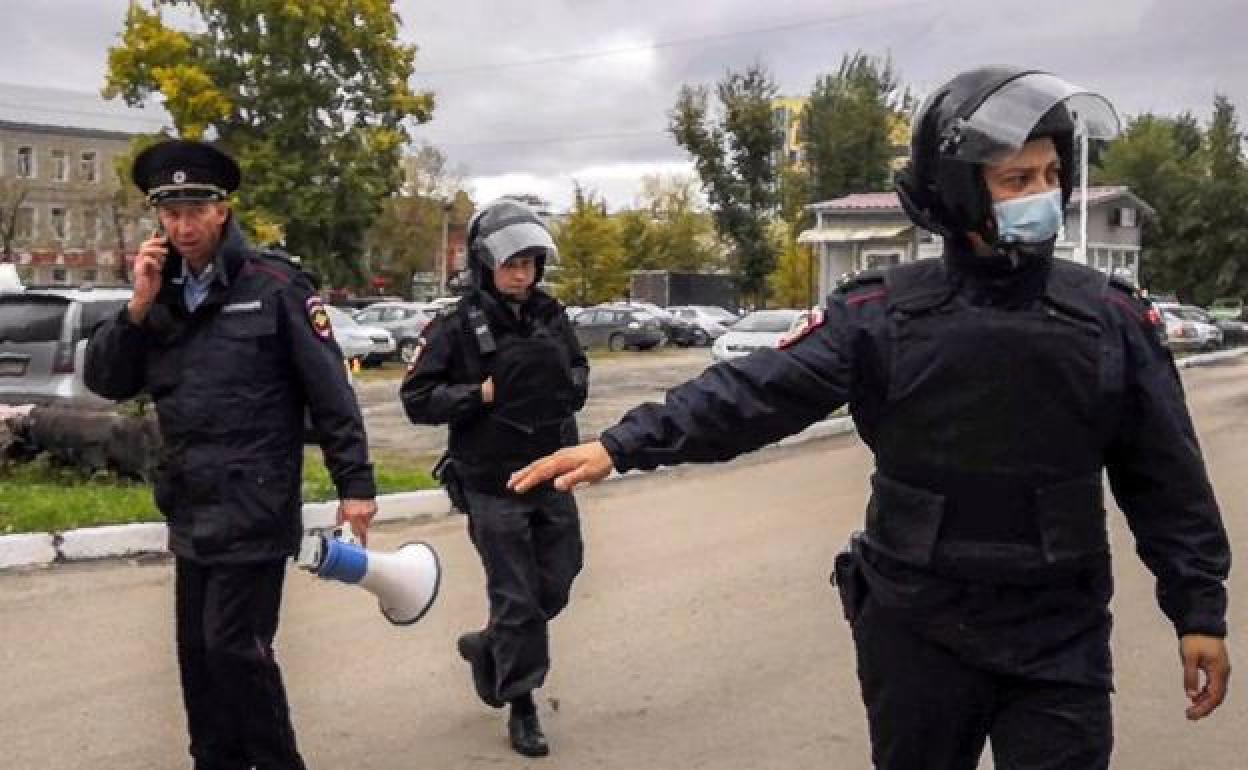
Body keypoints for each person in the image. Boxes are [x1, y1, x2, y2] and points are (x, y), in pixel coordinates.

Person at [509, 68, 1232, 769]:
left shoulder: (1109, 318)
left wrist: (1198, 608)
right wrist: (622, 444)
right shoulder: (881, 315)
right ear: (957, 194)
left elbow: (1165, 476)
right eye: (1017, 180)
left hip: (1058, 633)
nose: (1041, 195)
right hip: (919, 629)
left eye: (1049, 176)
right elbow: (756, 392)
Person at [85, 139, 378, 770]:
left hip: (257, 504)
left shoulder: (274, 286)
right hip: (191, 506)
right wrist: (135, 306)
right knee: (199, 659)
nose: (183, 226)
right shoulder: (157, 294)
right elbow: (106, 380)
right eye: (171, 212)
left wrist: (356, 484)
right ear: (158, 217)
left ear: (223, 210)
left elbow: (330, 391)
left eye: (196, 210)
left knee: (235, 649)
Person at [399, 199, 589, 757]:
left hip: (552, 471)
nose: (522, 273)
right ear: (485, 264)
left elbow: (578, 370)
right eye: (511, 263)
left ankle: (489, 646)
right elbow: (416, 399)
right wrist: (476, 395)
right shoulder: (456, 326)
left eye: (530, 262)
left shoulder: (550, 315)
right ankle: (522, 703)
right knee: (518, 598)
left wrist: (565, 383)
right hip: (492, 482)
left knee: (557, 580)